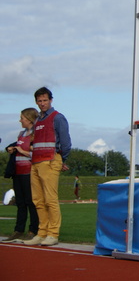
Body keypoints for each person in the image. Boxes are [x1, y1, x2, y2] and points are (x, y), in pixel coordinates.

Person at [24, 87, 72, 247]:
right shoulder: (37, 121)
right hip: (36, 162)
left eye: (45, 100)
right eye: (39, 101)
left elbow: (66, 142)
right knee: (38, 199)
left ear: (50, 100)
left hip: (50, 161)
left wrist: (60, 159)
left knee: (50, 199)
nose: (42, 103)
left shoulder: (57, 118)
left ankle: (53, 233)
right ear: (36, 102)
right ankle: (42, 232)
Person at [2, 108, 40, 243]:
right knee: (20, 202)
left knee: (30, 202)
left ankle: (33, 230)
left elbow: (37, 154)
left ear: (29, 119)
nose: (20, 120)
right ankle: (18, 230)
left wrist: (22, 151)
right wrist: (11, 149)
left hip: (29, 172)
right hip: (17, 171)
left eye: (22, 118)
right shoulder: (21, 134)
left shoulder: (36, 134)